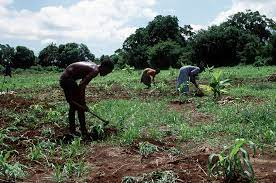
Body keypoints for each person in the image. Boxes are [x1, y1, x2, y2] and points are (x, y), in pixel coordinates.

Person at [59, 60, 114, 136]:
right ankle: (82, 130)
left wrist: (82, 103)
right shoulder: (95, 70)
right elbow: (82, 85)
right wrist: (83, 103)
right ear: (103, 67)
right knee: (78, 106)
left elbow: (81, 84)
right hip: (67, 80)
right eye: (107, 72)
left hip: (67, 79)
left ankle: (76, 130)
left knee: (75, 105)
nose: (106, 74)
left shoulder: (94, 66)